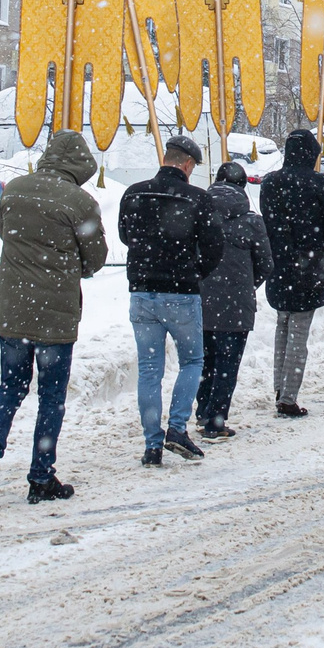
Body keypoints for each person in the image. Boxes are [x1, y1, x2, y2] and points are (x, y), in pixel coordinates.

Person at [0, 130, 106, 504]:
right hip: (56, 318)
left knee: (10, 386)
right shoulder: (80, 202)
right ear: (80, 166)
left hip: (13, 311)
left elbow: (5, 234)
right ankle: (41, 477)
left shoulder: (14, 190)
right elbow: (95, 258)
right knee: (51, 397)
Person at [117, 135, 225, 467]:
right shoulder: (197, 198)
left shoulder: (134, 193)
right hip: (180, 293)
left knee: (149, 369)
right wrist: (193, 272)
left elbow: (125, 234)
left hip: (141, 292)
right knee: (192, 361)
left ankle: (151, 443)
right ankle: (176, 428)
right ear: (188, 165)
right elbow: (214, 247)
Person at [259, 128, 324, 417]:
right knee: (298, 333)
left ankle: (279, 386)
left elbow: (267, 226)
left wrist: (278, 254)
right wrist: (319, 256)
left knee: (282, 327)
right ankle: (288, 396)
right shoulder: (320, 183)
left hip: (279, 268)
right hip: (308, 269)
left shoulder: (270, 183)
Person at [195, 161, 272, 439]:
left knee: (204, 361)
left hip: (200, 302)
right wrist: (246, 284)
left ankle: (203, 410)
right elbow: (266, 264)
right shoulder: (252, 221)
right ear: (242, 187)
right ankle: (216, 420)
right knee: (227, 364)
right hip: (237, 305)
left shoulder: (198, 215)